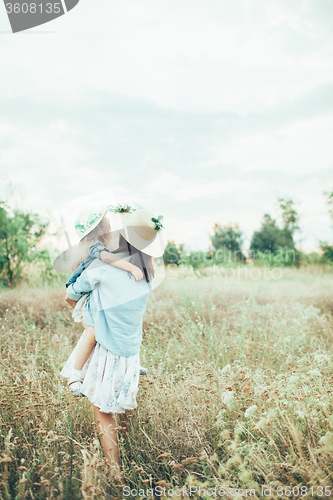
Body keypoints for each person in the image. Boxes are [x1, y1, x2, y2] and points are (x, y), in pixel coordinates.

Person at [60, 208, 165, 481]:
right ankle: (132, 453)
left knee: (103, 411)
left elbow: (71, 293)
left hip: (107, 349)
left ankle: (115, 474)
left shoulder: (103, 268)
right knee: (123, 406)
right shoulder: (148, 273)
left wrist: (85, 318)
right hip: (131, 352)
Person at [63, 207, 146, 395]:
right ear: (102, 229)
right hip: (80, 294)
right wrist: (131, 268)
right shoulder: (97, 247)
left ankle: (128, 364)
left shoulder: (95, 246)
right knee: (92, 333)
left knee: (109, 329)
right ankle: (75, 376)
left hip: (87, 295)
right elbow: (107, 258)